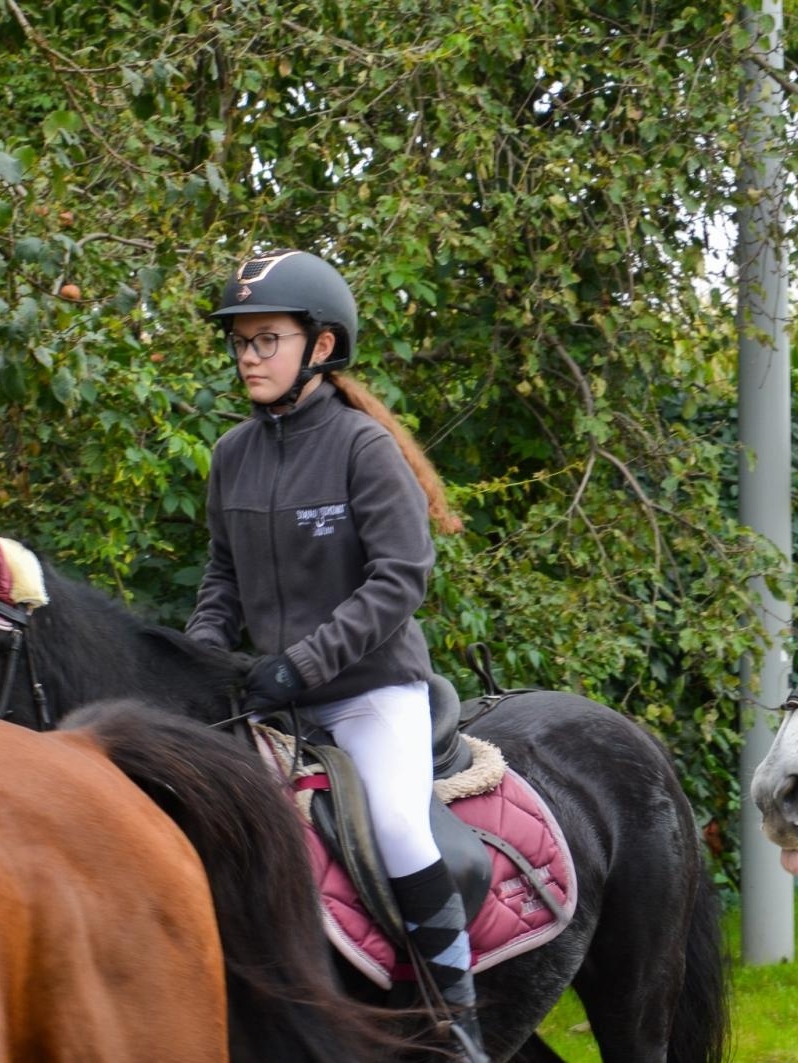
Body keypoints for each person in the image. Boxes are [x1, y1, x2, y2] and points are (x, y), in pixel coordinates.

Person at [184, 249, 482, 1057]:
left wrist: (305, 664)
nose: (248, 356)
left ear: (320, 346)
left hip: (367, 692)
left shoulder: (362, 448)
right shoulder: (230, 455)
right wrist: (202, 658)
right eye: (240, 342)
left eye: (265, 339)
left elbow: (399, 580)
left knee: (397, 826)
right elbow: (222, 576)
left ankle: (458, 1021)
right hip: (267, 696)